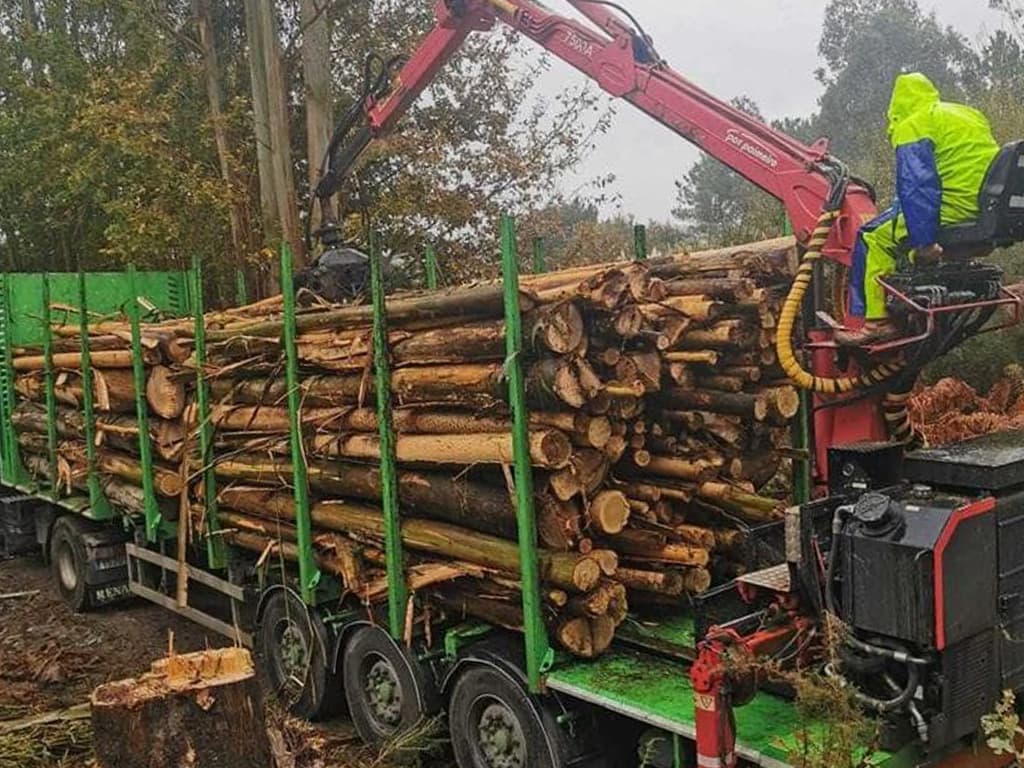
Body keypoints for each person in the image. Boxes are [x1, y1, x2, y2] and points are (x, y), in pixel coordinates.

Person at [836, 72, 1000, 346]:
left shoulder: (914, 124)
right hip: (986, 211)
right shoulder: (967, 114)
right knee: (903, 234)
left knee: (872, 238)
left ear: (896, 107)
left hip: (952, 208)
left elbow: (917, 186)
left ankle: (877, 322)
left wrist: (924, 243)